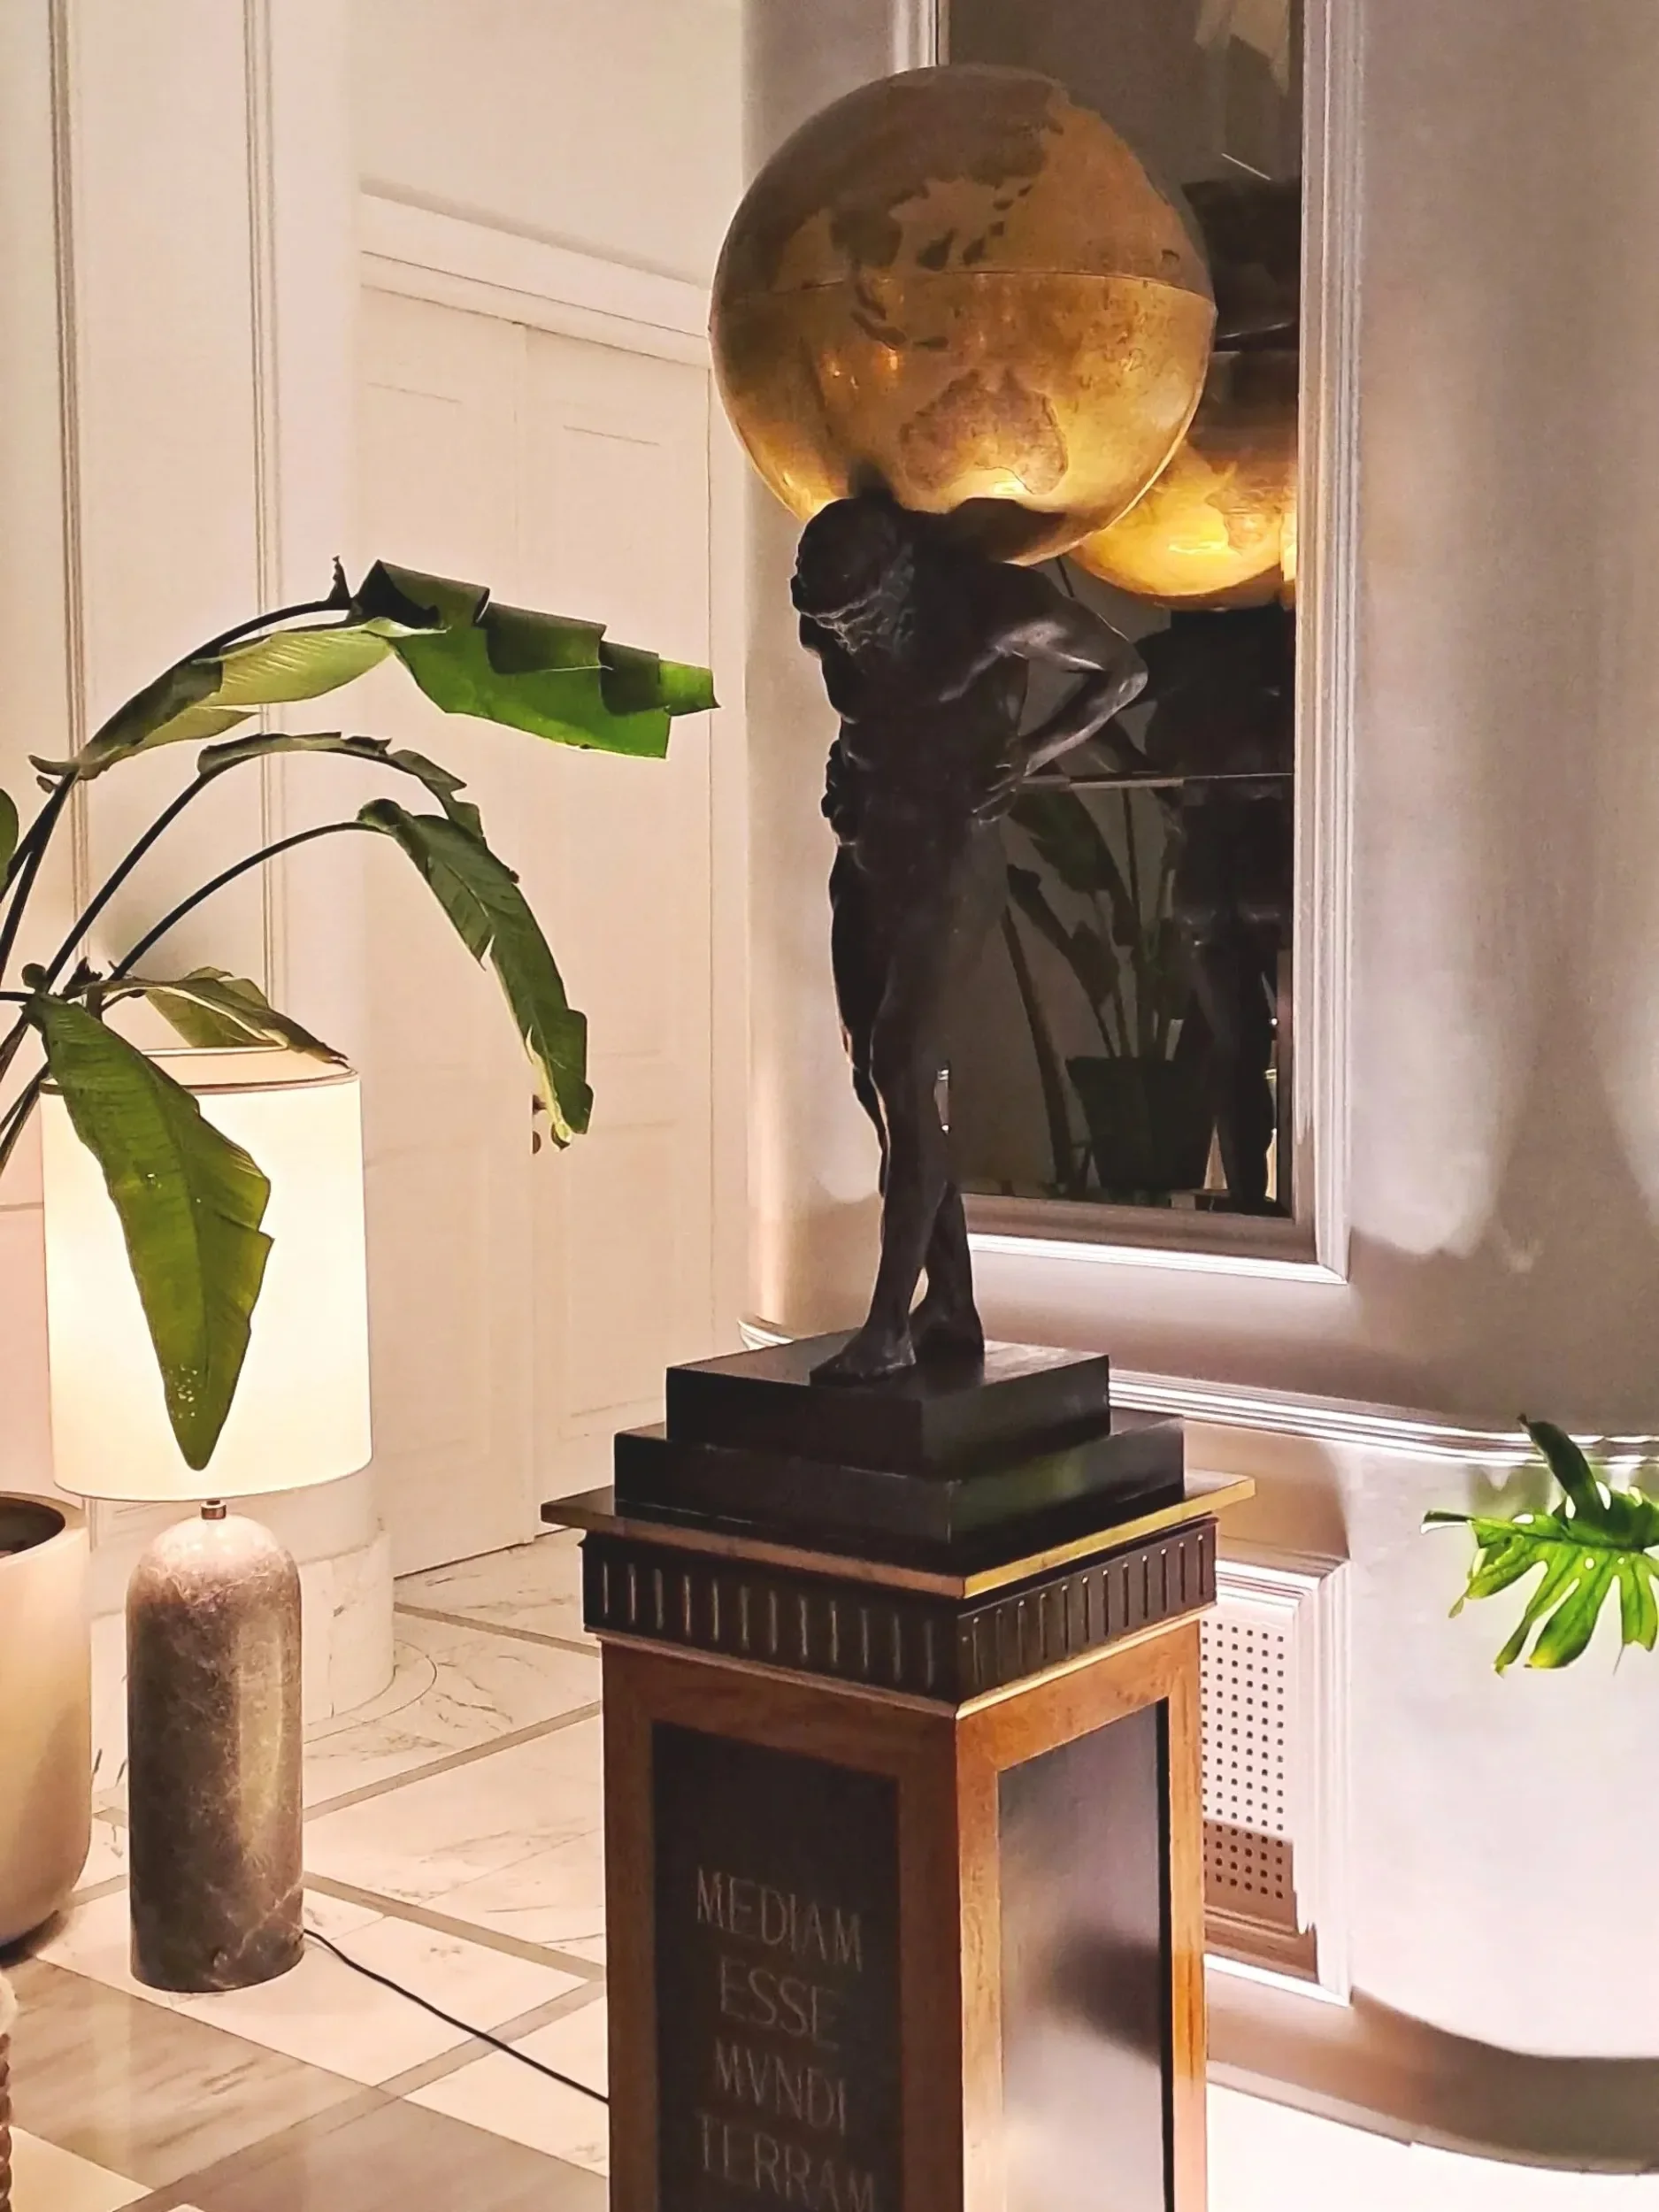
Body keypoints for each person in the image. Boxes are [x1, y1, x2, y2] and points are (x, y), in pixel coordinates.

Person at [794, 491, 1148, 1384]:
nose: (844, 641)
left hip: (949, 858)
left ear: (901, 588)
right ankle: (949, 1302)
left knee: (907, 1069)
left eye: (858, 622)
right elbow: (866, 726)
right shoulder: (835, 625)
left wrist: (1028, 755)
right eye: (830, 625)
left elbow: (1124, 671)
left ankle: (887, 1327)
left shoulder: (996, 612)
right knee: (874, 1080)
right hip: (866, 849)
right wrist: (843, 774)